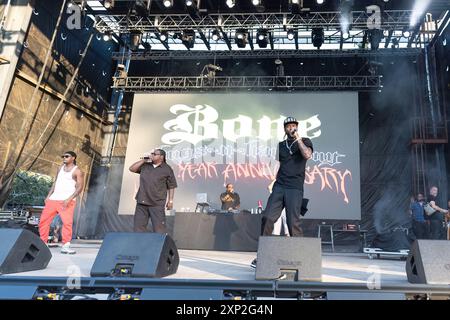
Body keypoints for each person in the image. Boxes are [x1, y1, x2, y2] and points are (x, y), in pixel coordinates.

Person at [251, 116, 313, 268]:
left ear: (297, 127)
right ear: (285, 128)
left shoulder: (305, 141)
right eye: (288, 126)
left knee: (293, 223)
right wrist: (272, 181)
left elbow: (307, 155)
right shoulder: (281, 145)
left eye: (294, 125)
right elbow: (278, 164)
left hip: (295, 187)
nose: (291, 128)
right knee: (267, 217)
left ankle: (300, 258)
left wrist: (298, 138)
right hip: (279, 186)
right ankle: (263, 255)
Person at [39, 151, 84, 254]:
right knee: (43, 221)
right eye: (63, 156)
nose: (64, 157)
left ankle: (65, 246)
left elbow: (80, 187)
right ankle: (43, 243)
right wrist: (48, 195)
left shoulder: (77, 171)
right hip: (53, 199)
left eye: (67, 156)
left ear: (73, 158)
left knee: (67, 223)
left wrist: (69, 198)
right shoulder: (60, 168)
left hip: (66, 200)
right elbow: (56, 182)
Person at [129, 148, 177, 233]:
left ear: (161, 157)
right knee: (138, 228)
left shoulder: (167, 169)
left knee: (159, 229)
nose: (152, 155)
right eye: (152, 153)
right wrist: (144, 160)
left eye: (155, 154)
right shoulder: (146, 166)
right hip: (142, 202)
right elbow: (132, 169)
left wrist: (170, 201)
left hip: (157, 203)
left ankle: (159, 245)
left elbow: (171, 186)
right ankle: (139, 245)